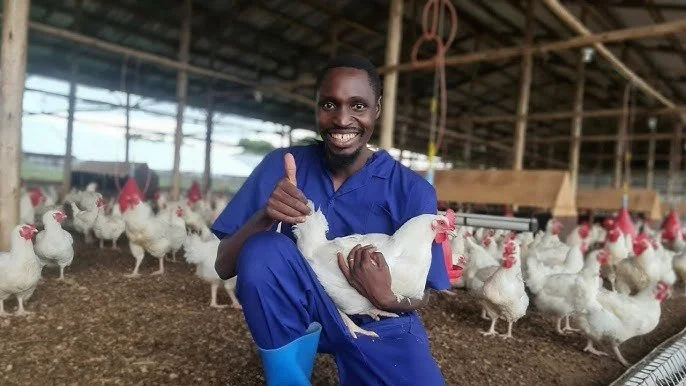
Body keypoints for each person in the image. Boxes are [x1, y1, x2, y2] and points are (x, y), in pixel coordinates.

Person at [212, 55, 450, 385]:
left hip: (381, 320)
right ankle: (288, 378)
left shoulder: (412, 191)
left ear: (376, 109)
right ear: (316, 108)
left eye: (358, 106)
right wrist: (265, 215)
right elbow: (224, 266)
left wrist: (388, 299)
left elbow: (429, 290)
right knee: (264, 249)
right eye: (329, 104)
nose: (342, 119)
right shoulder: (281, 166)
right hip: (300, 313)